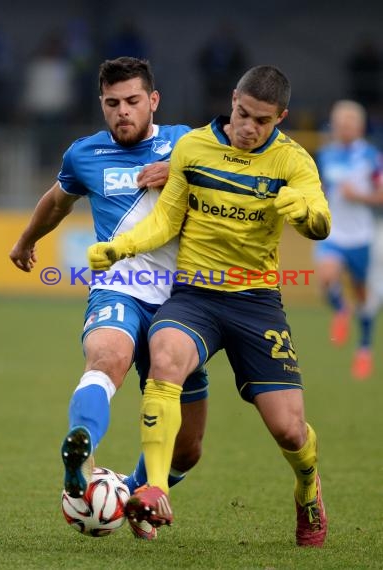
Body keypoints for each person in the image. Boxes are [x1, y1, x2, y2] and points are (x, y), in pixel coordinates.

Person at [87, 65, 331, 547]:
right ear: (232, 98)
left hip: (256, 302)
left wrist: (305, 214)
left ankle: (308, 489)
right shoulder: (194, 147)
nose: (247, 127)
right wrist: (122, 248)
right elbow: (166, 221)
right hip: (195, 294)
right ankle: (154, 485)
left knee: (289, 431)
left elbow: (320, 221)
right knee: (165, 353)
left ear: (279, 117)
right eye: (242, 113)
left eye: (261, 121)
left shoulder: (293, 161)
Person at [9, 56, 209, 541]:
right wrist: (26, 240)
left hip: (183, 302)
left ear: (153, 101)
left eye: (133, 102)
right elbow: (57, 200)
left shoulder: (187, 143)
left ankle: (132, 492)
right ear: (102, 104)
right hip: (117, 288)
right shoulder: (85, 154)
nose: (122, 111)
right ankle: (81, 446)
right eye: (112, 103)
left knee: (187, 451)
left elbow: (234, 186)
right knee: (106, 358)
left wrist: (184, 176)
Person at [315, 100, 383, 380]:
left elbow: (380, 195)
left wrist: (359, 196)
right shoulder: (326, 154)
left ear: (359, 127)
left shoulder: (371, 157)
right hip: (332, 232)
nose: (343, 129)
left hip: (362, 236)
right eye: (339, 124)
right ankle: (341, 309)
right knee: (326, 278)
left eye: (349, 124)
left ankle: (364, 348)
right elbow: (321, 187)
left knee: (363, 296)